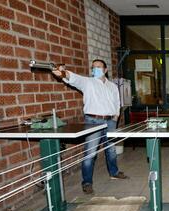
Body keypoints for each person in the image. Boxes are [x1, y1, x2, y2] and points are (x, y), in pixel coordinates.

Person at [52, 59, 127, 194]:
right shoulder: (88, 82)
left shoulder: (112, 86)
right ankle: (87, 182)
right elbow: (73, 78)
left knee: (111, 150)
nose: (95, 69)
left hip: (110, 121)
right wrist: (63, 72)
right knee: (90, 154)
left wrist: (116, 117)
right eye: (93, 67)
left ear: (105, 70)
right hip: (93, 121)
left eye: (98, 67)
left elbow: (117, 102)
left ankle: (114, 172)